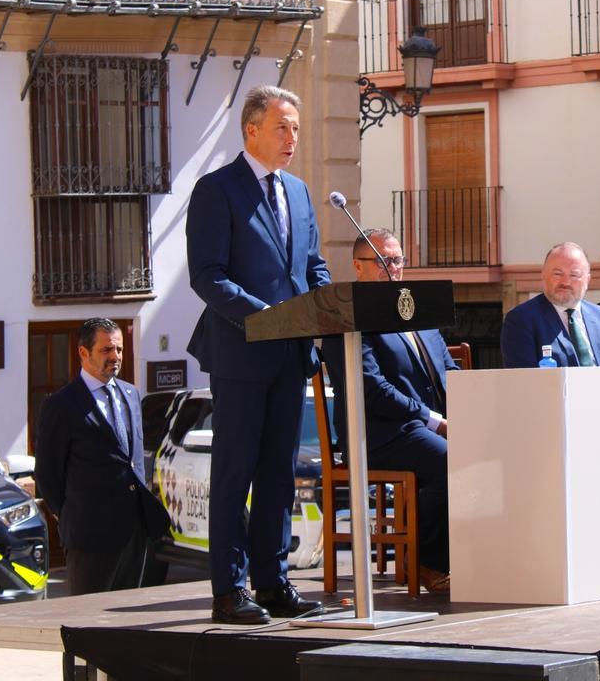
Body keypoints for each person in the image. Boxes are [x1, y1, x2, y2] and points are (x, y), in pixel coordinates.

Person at [186, 85, 331, 624]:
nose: (292, 137)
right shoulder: (216, 191)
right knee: (235, 474)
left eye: (295, 128)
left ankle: (273, 583)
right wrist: (267, 317)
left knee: (277, 474)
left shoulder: (298, 192)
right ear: (251, 131)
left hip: (290, 356)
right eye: (282, 127)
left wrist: (326, 302)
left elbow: (311, 265)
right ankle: (230, 589)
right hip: (242, 353)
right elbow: (208, 277)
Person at [324, 229, 457, 593]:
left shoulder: (415, 308)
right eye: (381, 260)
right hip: (379, 433)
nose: (391, 268)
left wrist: (472, 407)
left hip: (422, 429)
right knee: (450, 461)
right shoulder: (347, 315)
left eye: (397, 260)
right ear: (358, 266)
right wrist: (434, 420)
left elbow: (450, 373)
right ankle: (426, 561)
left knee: (492, 453)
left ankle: (476, 554)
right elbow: (372, 389)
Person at [35, 318, 170, 596]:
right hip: (90, 535)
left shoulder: (130, 394)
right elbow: (48, 475)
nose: (116, 357)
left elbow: (133, 460)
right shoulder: (62, 405)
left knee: (128, 616)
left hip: (134, 531)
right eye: (106, 350)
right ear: (84, 353)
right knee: (88, 621)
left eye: (119, 350)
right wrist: (72, 516)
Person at [500, 242, 600, 369]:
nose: (566, 282)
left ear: (587, 280)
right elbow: (524, 380)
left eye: (574, 275)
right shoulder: (521, 320)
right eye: (557, 274)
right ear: (543, 275)